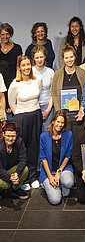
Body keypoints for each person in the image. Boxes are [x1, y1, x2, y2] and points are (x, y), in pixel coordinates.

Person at [9, 54, 43, 190]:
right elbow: (12, 103)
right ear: (19, 67)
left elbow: (38, 95)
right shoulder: (14, 84)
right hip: (21, 117)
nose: (26, 67)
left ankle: (33, 176)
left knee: (34, 147)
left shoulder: (38, 79)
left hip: (35, 115)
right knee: (22, 148)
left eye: (28, 64)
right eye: (23, 65)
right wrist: (20, 115)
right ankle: (23, 178)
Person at [39, 110, 74, 205]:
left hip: (63, 168)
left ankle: (62, 183)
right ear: (53, 121)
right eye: (58, 121)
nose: (60, 124)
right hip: (48, 171)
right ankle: (48, 184)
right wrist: (50, 177)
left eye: (62, 122)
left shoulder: (68, 135)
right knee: (55, 200)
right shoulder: (44, 136)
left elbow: (68, 155)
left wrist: (59, 172)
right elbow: (43, 158)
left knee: (69, 182)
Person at [51, 45, 85, 131]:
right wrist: (59, 113)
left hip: (79, 115)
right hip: (63, 117)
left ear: (75, 57)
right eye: (66, 57)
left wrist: (82, 109)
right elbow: (54, 94)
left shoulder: (82, 73)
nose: (69, 60)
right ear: (63, 59)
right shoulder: (57, 74)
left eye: (71, 57)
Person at [0, 121, 29, 200]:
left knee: (25, 170)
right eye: (8, 136)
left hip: (11, 170)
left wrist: (16, 173)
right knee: (4, 185)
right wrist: (9, 177)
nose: (10, 138)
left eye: (13, 136)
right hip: (1, 172)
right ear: (3, 134)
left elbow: (23, 159)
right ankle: (5, 189)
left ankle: (14, 189)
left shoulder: (19, 142)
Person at [32, 45, 55, 132]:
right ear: (34, 58)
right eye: (37, 57)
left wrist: (48, 110)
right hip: (34, 106)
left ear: (45, 57)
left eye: (41, 57)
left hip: (47, 106)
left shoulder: (50, 71)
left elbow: (53, 92)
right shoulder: (31, 71)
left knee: (47, 133)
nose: (39, 59)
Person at [0, 23, 23, 91]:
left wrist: (17, 80)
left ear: (10, 34)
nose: (5, 36)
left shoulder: (17, 48)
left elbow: (19, 66)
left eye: (7, 34)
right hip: (0, 83)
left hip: (13, 82)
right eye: (3, 34)